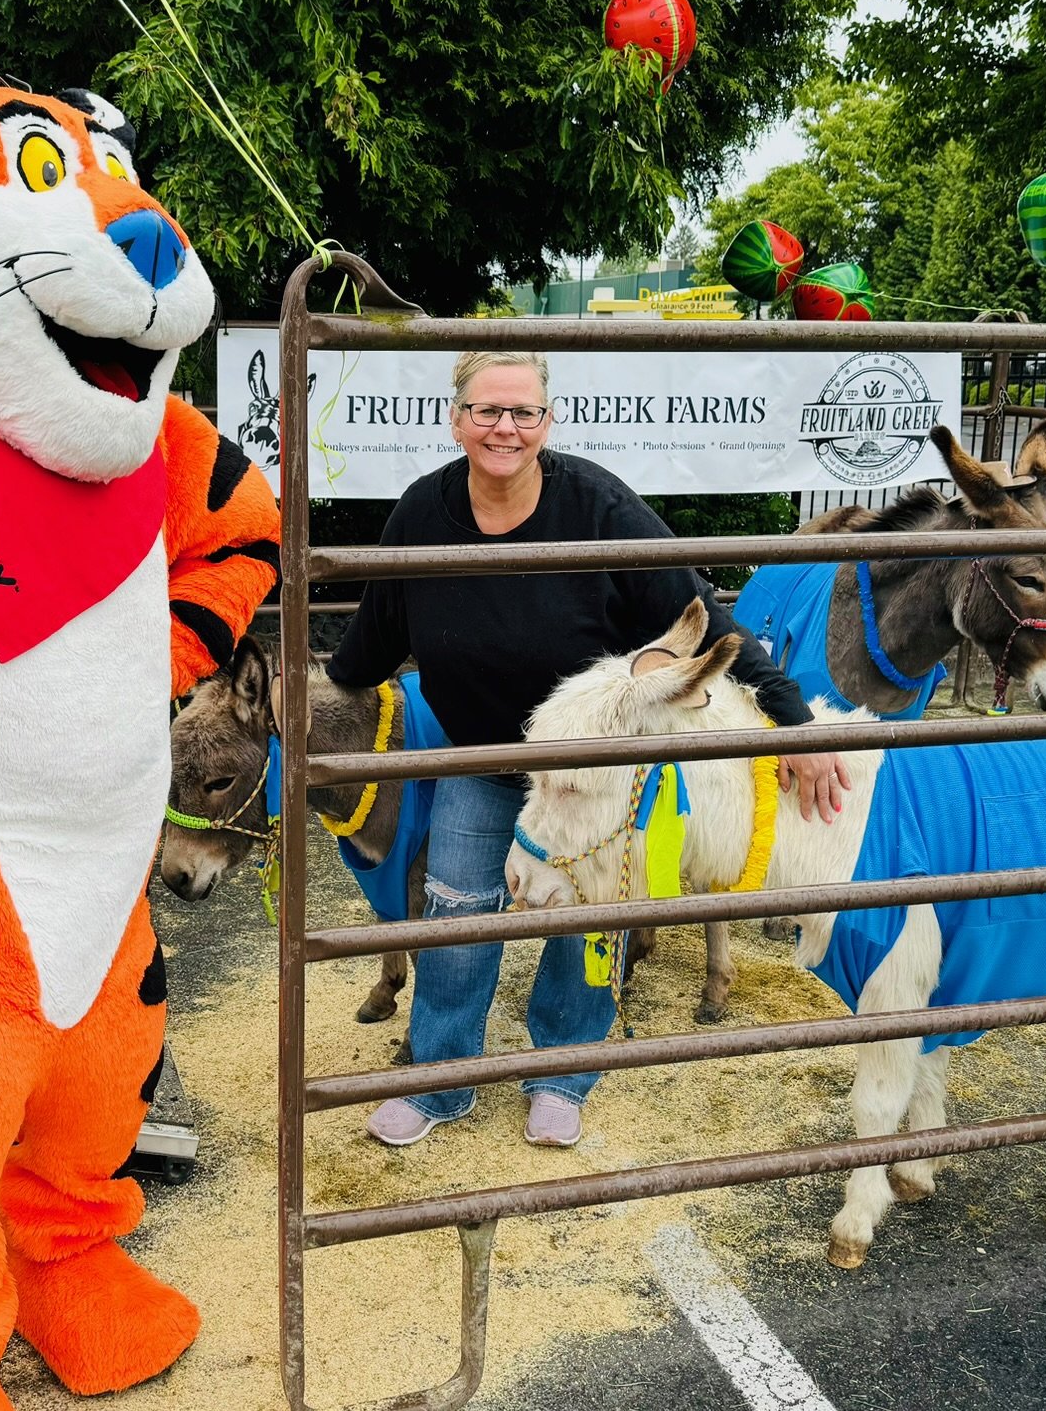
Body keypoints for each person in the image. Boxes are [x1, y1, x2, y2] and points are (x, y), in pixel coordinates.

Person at [326, 349, 850, 1151]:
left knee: (586, 919)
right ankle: (438, 1080)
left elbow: (702, 613)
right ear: (456, 417)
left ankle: (563, 1074)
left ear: (548, 420)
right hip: (482, 758)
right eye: (487, 410)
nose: (506, 427)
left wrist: (795, 727)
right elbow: (369, 646)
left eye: (523, 412)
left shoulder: (600, 506)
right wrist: (318, 699)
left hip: (595, 773)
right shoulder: (419, 517)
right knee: (456, 912)